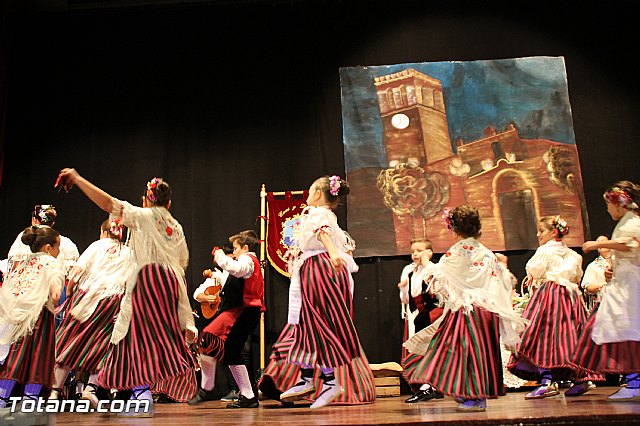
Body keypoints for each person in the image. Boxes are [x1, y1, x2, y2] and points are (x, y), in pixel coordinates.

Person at [55, 169, 197, 417]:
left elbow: (109, 203)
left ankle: (137, 396)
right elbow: (182, 260)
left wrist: (78, 179)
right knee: (147, 339)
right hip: (171, 285)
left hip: (148, 282)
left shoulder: (143, 216)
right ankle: (132, 393)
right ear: (169, 203)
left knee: (131, 338)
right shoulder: (176, 226)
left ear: (146, 200)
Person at [259, 175, 375, 409]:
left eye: (311, 191)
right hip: (322, 269)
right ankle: (308, 376)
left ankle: (327, 381)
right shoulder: (331, 216)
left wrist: (332, 253)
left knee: (315, 322)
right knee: (311, 323)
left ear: (319, 194)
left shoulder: (318, 214)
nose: (308, 196)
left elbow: (322, 233)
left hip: (320, 269)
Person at [403, 205, 526, 412]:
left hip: (468, 310)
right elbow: (501, 281)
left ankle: (475, 397)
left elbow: (440, 275)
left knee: (467, 352)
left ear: (455, 230)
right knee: (479, 352)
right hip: (487, 311)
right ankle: (470, 392)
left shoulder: (458, 251)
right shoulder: (486, 253)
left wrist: (426, 263)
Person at [507, 215, 600, 398]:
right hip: (571, 298)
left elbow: (533, 269)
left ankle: (546, 381)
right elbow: (576, 276)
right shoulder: (573, 255)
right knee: (570, 337)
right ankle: (581, 378)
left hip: (550, 295)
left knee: (542, 337)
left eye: (542, 231)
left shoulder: (545, 251)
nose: (538, 234)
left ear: (553, 232)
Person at [50, 219, 131, 406]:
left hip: (86, 299)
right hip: (112, 301)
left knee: (70, 342)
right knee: (102, 346)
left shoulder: (96, 246)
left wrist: (70, 292)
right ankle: (90, 388)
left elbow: (77, 271)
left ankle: (55, 391)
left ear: (103, 232)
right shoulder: (128, 252)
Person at [572, 181, 640, 401]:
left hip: (631, 288)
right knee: (619, 330)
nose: (607, 210)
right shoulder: (626, 221)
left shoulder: (633, 222)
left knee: (627, 330)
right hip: (624, 283)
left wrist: (597, 245)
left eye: (609, 205)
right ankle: (632, 380)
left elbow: (631, 244)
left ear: (618, 204)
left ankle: (634, 381)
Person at [189, 232, 264, 409]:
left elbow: (237, 270)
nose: (235, 252)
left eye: (236, 248)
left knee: (208, 339)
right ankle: (248, 396)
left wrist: (219, 254)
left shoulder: (247, 260)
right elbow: (235, 277)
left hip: (241, 311)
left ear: (245, 248)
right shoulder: (246, 264)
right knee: (231, 353)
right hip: (242, 311)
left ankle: (206, 388)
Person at [0, 226, 65, 416]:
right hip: (39, 316)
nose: (59, 251)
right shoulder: (51, 263)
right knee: (38, 360)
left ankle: (2, 400)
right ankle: (30, 403)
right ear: (47, 247)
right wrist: (54, 294)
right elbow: (55, 282)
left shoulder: (23, 262)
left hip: (16, 317)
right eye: (57, 246)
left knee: (14, 359)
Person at [190, 243, 241, 403]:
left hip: (234, 318)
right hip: (219, 320)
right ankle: (212, 389)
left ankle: (239, 391)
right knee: (212, 351)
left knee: (232, 353)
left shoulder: (237, 272)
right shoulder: (218, 275)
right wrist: (207, 298)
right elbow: (197, 293)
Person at [397, 238, 444, 403]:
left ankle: (430, 386)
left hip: (434, 313)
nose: (415, 254)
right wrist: (403, 287)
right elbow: (405, 299)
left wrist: (426, 262)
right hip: (419, 315)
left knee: (431, 351)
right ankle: (427, 386)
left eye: (419, 250)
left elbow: (439, 290)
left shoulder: (434, 268)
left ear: (430, 253)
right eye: (413, 251)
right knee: (420, 351)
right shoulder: (409, 271)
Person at [581, 235, 612, 313]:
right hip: (602, 304)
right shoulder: (593, 266)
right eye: (599, 243)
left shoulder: (618, 261)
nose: (602, 244)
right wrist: (600, 287)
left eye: (604, 241)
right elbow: (588, 287)